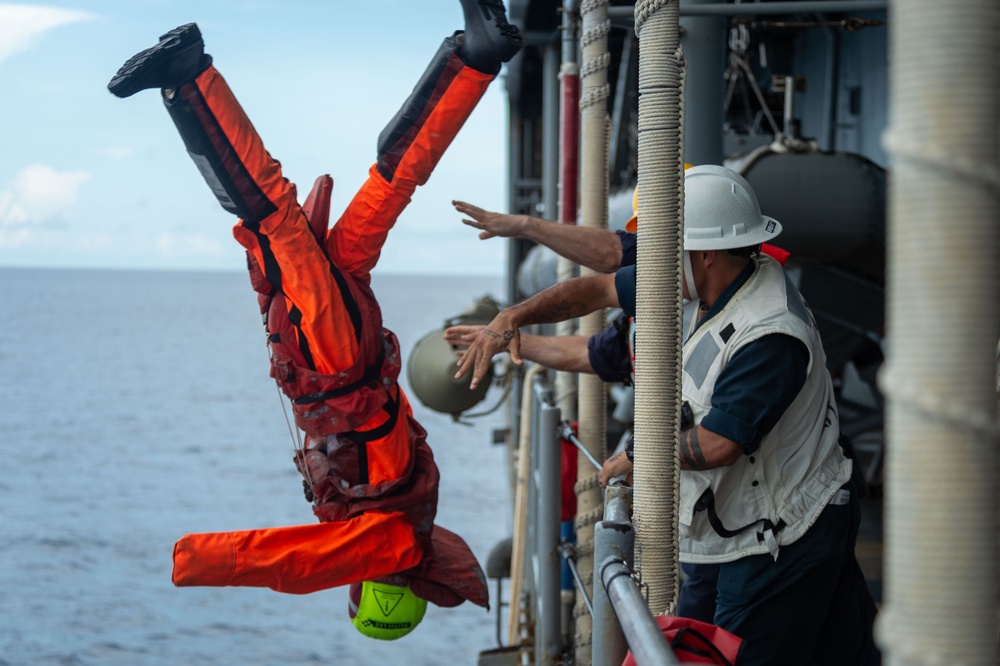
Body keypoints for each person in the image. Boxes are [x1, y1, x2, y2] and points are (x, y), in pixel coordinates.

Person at [107, 1, 522, 640]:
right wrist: (194, 561)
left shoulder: (413, 513)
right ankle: (188, 76)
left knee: (388, 185)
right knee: (271, 217)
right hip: (334, 358)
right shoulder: (390, 547)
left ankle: (474, 59)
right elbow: (294, 563)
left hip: (352, 352)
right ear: (376, 596)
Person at [454, 165, 881, 665]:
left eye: (665, 252)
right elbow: (596, 290)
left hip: (787, 533)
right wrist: (512, 319)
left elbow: (720, 443)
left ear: (704, 253)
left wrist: (638, 456)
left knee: (747, 655)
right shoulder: (713, 282)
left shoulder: (769, 334)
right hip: (769, 515)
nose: (654, 266)